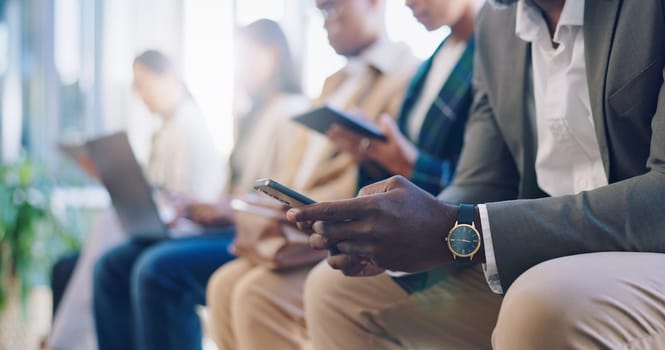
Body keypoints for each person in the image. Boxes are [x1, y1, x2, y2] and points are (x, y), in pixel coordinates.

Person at [288, 0, 665, 349]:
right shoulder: (498, 23)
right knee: (336, 293)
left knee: (541, 303)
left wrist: (460, 231)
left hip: (648, 251)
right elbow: (483, 180)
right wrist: (400, 230)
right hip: (547, 254)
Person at [204, 1, 420, 349]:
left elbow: (388, 174)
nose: (326, 23)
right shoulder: (332, 84)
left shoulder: (404, 76)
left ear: (373, 4)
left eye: (334, 8)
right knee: (223, 284)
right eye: (320, 13)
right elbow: (296, 162)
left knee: (256, 294)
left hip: (338, 223)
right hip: (296, 222)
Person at [92, 20, 310, 350]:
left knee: (157, 270)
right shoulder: (255, 115)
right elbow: (234, 192)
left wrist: (228, 211)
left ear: (275, 54)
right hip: (232, 228)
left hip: (259, 236)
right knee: (113, 263)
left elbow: (282, 202)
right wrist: (208, 207)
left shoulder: (292, 114)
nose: (241, 70)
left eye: (248, 57)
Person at [47, 50, 223, 350]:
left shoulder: (188, 128)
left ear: (169, 76)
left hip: (191, 229)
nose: (138, 94)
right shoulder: (167, 130)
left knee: (126, 265)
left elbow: (185, 199)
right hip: (169, 225)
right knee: (69, 267)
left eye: (142, 83)